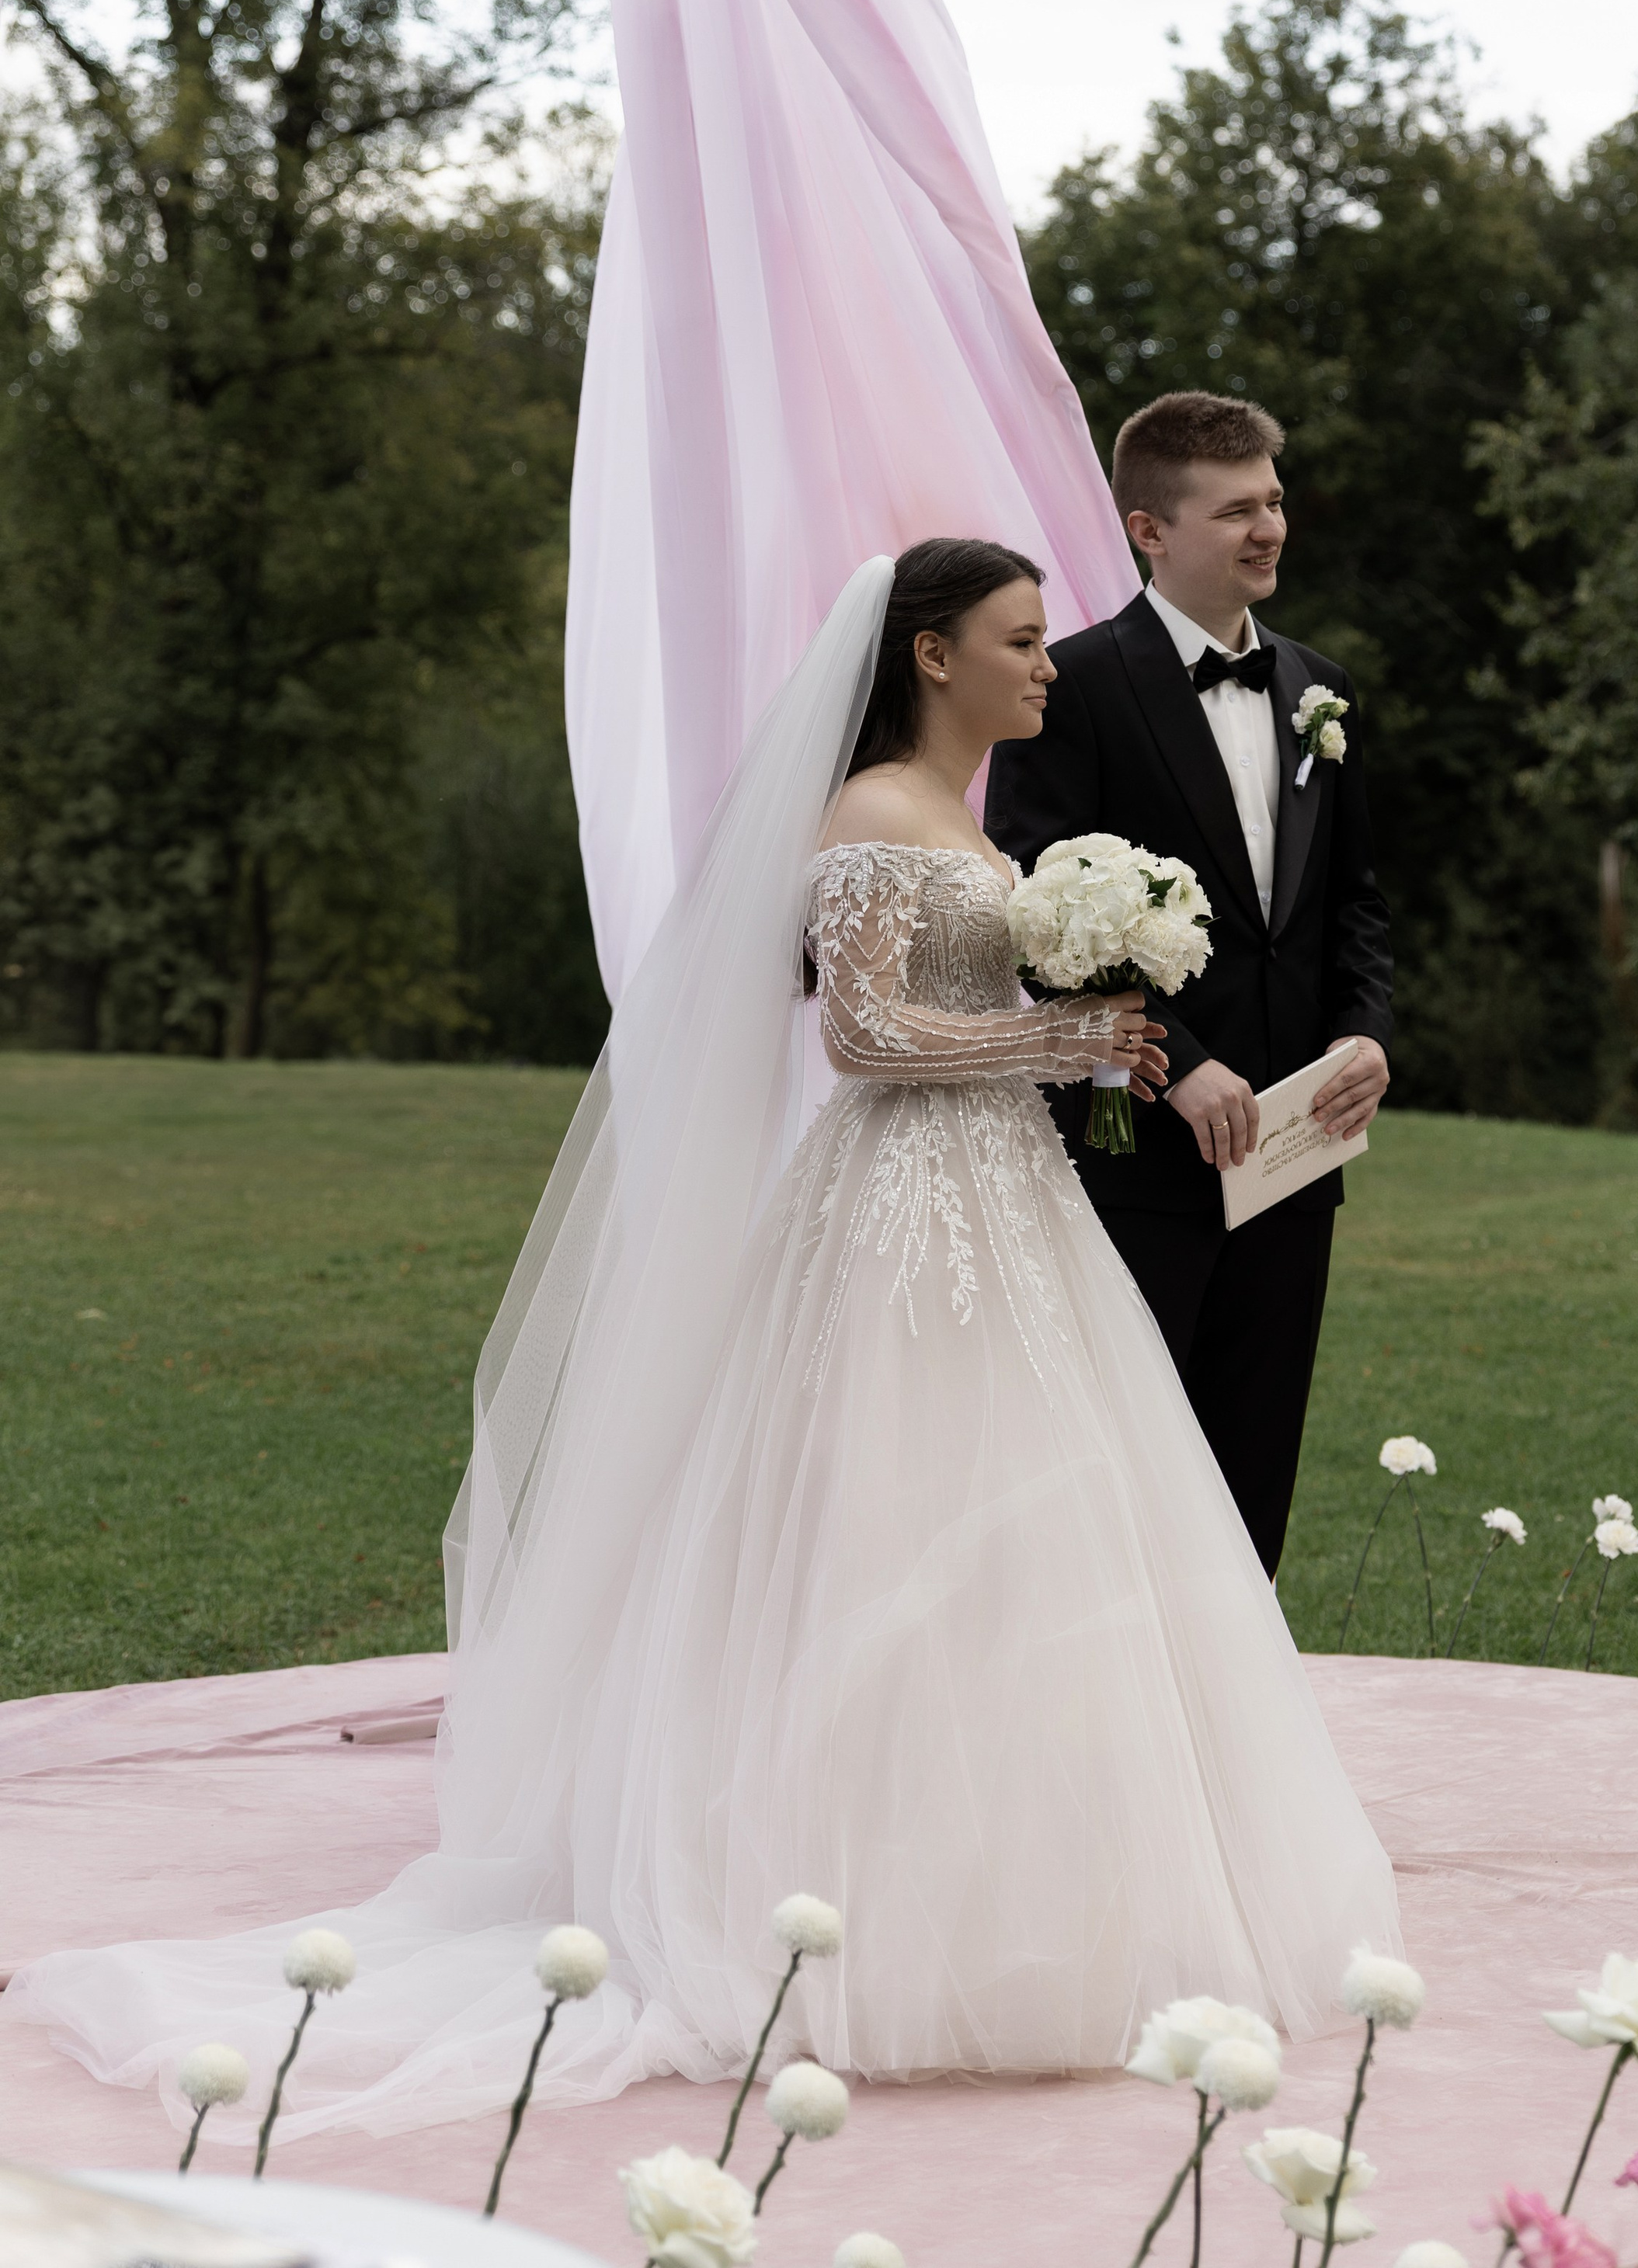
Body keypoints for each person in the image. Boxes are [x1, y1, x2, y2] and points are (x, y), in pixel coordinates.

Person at [12, 540, 1396, 2134]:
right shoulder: (871, 813)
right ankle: (845, 1894)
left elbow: (951, 1018)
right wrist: (1060, 1031)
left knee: (1035, 1524)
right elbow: (862, 1034)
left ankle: (1034, 1876)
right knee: (888, 1516)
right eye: (1019, 641)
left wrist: (1084, 1041)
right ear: (932, 655)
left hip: (1010, 1195)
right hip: (899, 1209)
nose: (1046, 666)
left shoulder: (959, 817)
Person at [985, 395, 1392, 1576]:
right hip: (1132, 1151)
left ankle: (1238, 1693)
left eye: (1274, 500)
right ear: (1151, 529)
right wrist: (1181, 1065)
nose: (1270, 528)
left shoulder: (1319, 688)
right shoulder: (1070, 686)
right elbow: (1036, 917)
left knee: (1254, 1464)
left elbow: (1354, 904)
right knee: (1118, 1463)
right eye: (1236, 509)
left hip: (1295, 1151)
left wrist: (1366, 1035)